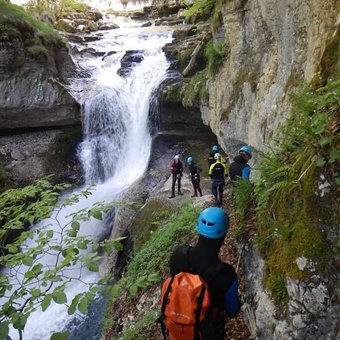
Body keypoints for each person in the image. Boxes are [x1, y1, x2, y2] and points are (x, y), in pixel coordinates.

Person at [168, 207, 241, 339]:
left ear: (198, 229)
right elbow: (232, 312)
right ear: (223, 235)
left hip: (179, 325)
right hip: (208, 333)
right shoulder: (227, 275)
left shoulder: (178, 255)